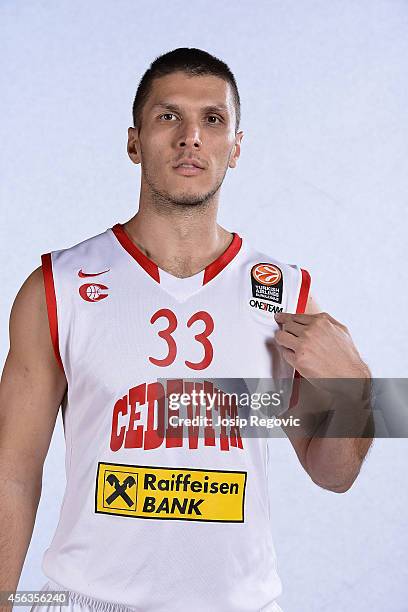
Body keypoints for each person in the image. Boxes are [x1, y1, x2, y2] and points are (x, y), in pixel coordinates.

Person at [0, 47, 373, 612]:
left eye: (213, 119)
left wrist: (358, 390)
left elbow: (334, 474)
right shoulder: (59, 286)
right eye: (168, 115)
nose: (190, 136)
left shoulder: (284, 294)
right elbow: (14, 473)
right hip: (87, 600)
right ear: (134, 142)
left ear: (236, 148)